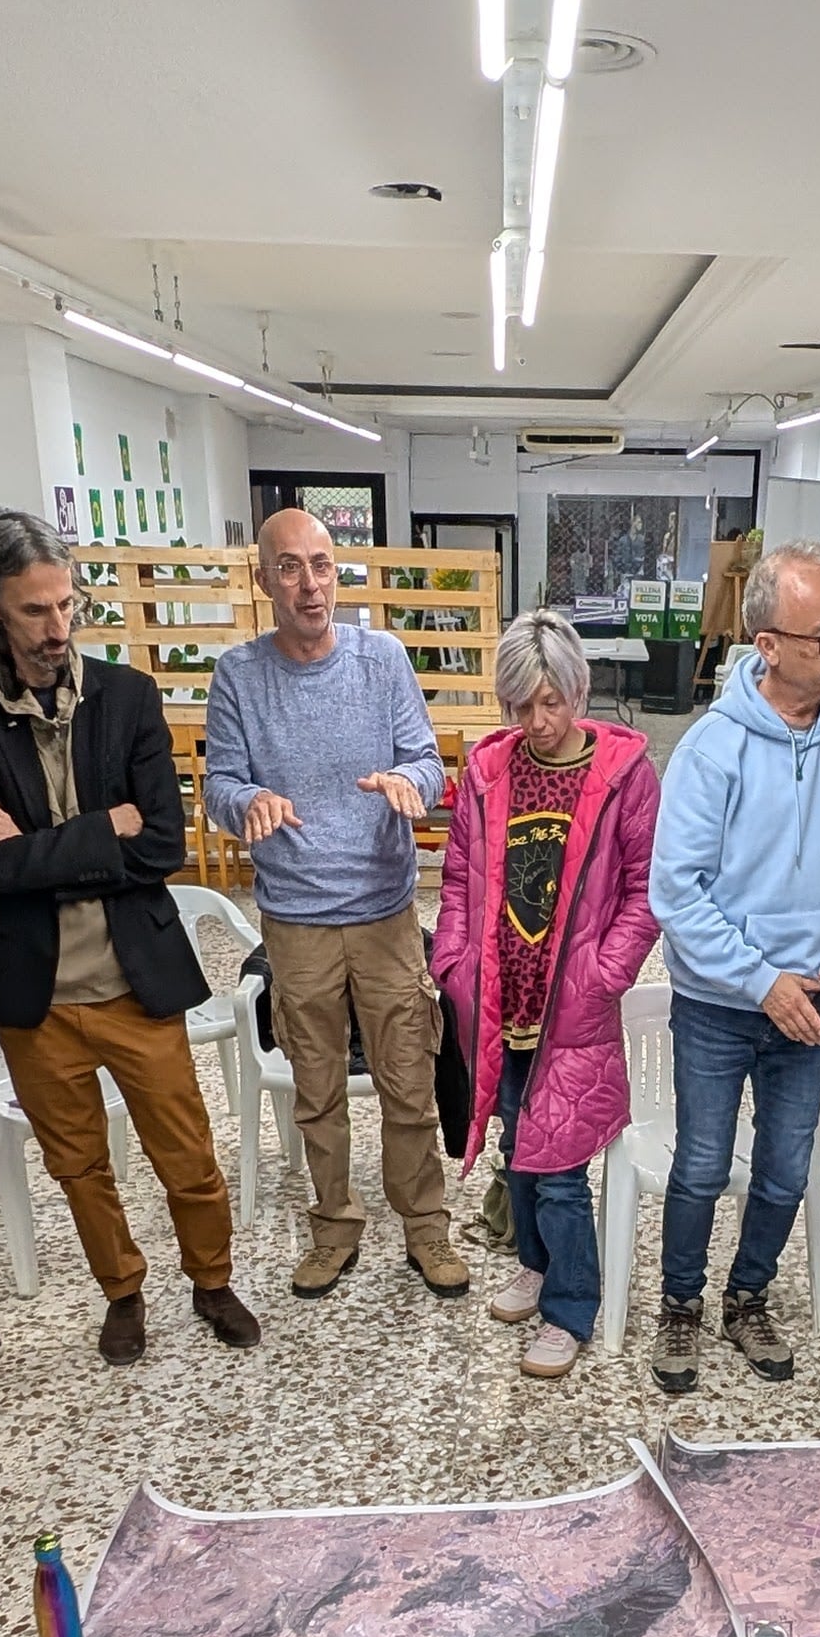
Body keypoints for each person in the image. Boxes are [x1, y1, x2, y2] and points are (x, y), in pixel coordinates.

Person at [0, 506, 258, 1366]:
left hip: (134, 978)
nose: (55, 629)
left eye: (66, 606)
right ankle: (123, 1293)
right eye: (34, 610)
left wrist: (40, 850)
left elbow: (162, 845)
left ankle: (212, 1282)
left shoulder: (129, 696)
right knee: (78, 1168)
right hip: (34, 997)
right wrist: (98, 830)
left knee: (186, 1152)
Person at [645, 539, 820, 1393]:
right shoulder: (711, 749)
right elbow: (676, 895)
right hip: (724, 1003)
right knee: (700, 1163)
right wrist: (764, 983)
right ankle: (680, 1304)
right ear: (768, 645)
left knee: (787, 1167)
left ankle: (747, 1295)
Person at [205, 504, 465, 1298]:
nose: (310, 584)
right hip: (297, 922)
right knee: (316, 1088)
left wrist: (408, 785)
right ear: (264, 582)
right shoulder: (238, 676)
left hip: (386, 913)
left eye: (321, 565)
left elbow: (427, 762)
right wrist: (246, 801)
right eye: (290, 567)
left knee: (407, 1080)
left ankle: (426, 1227)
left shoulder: (380, 659)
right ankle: (333, 1226)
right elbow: (219, 783)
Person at [432, 610, 662, 1381]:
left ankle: (571, 1305)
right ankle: (533, 1265)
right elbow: (461, 875)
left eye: (552, 702)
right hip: (501, 1005)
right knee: (516, 1149)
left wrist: (606, 971)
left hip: (574, 1005)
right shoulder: (488, 772)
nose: (539, 721)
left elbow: (644, 889)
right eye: (522, 706)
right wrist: (454, 959)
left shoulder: (624, 774)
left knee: (561, 1169)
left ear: (579, 690)